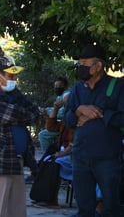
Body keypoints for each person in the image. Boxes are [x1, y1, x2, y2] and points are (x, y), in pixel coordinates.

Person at [64, 44, 124, 217]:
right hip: (80, 158)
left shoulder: (117, 86)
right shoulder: (77, 89)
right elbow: (68, 119)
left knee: (111, 208)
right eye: (79, 63)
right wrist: (79, 110)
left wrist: (98, 113)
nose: (80, 67)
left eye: (84, 63)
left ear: (98, 66)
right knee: (84, 209)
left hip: (108, 159)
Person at [0, 57, 40, 217]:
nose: (14, 79)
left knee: (17, 211)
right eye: (10, 76)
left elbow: (35, 113)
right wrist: (19, 112)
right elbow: (11, 113)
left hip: (16, 159)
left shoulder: (13, 93)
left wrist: (18, 112)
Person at [31, 92, 73, 209]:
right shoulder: (67, 119)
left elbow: (76, 143)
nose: (66, 105)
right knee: (46, 162)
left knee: (55, 164)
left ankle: (52, 200)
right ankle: (42, 196)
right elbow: (51, 127)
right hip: (64, 153)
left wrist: (61, 153)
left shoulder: (78, 119)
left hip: (74, 155)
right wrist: (55, 108)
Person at [38, 76, 70, 153]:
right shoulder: (58, 97)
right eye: (55, 86)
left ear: (65, 86)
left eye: (59, 86)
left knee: (43, 135)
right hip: (59, 124)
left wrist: (47, 111)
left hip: (66, 125)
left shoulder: (66, 93)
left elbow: (61, 111)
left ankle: (46, 157)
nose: (57, 88)